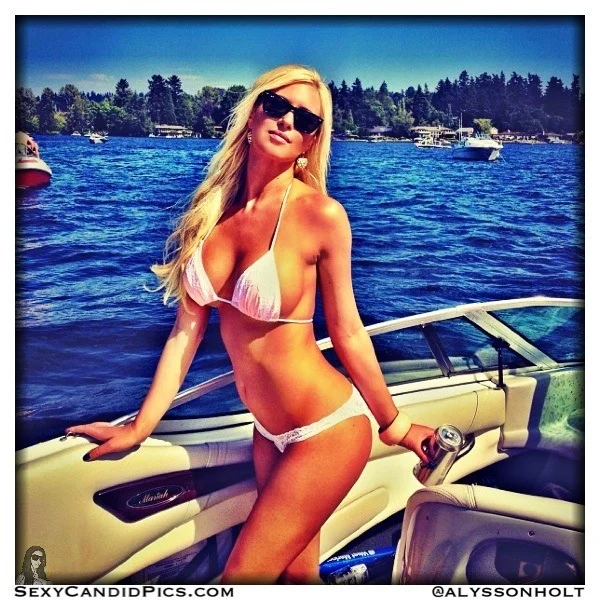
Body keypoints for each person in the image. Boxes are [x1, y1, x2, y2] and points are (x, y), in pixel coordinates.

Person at [66, 64, 435, 584]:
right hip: (267, 433)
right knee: (296, 580)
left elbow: (348, 331)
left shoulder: (322, 216)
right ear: (253, 111)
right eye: (277, 106)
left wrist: (395, 426)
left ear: (312, 140)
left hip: (327, 431)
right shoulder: (211, 211)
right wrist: (140, 427)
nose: (287, 121)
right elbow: (185, 333)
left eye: (305, 119)